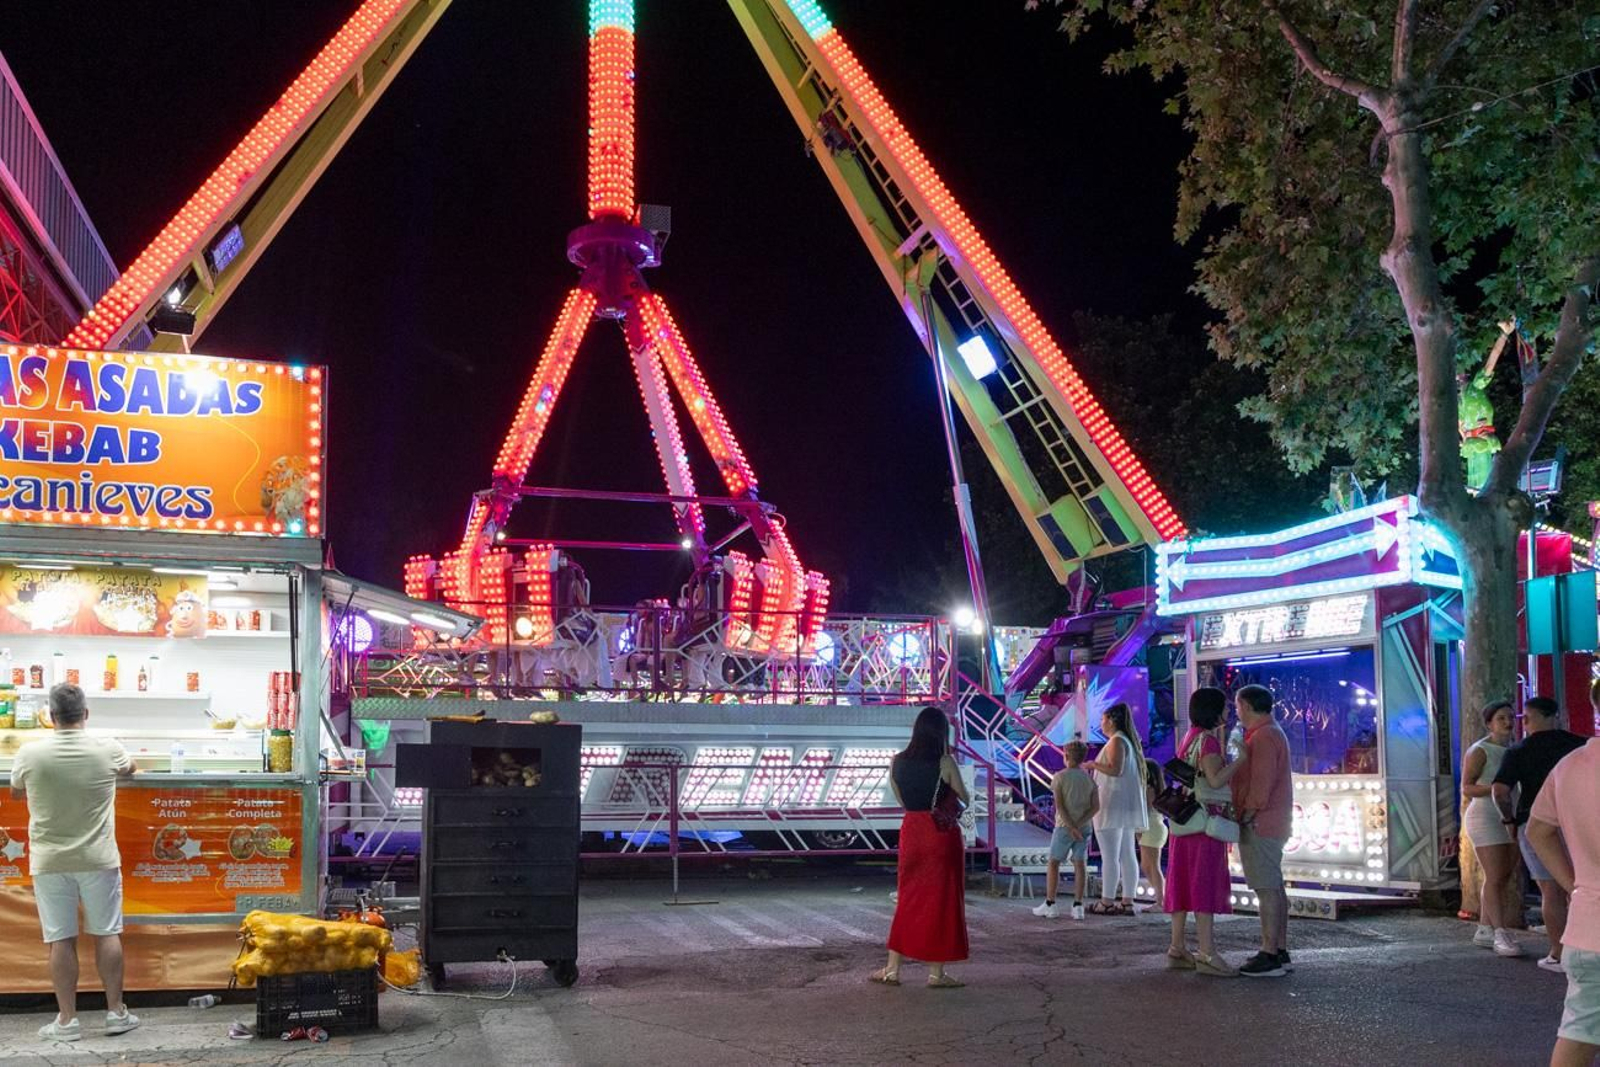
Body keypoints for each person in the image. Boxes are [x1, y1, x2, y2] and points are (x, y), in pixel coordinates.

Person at [9, 684, 140, 1042]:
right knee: (107, 933)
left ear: (51, 717)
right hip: (98, 858)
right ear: (86, 714)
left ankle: (67, 1021)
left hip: (50, 860)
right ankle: (115, 1013)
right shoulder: (107, 747)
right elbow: (130, 768)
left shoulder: (29, 753)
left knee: (60, 941)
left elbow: (16, 791)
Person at [874, 705, 970, 988]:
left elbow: (903, 801)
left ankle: (892, 969)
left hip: (912, 831)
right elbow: (963, 797)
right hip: (939, 834)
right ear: (941, 732)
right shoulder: (945, 762)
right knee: (940, 901)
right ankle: (936, 974)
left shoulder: (897, 761)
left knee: (908, 897)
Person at [1494, 695, 1585, 970]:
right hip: (1576, 821)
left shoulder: (1519, 750)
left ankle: (1558, 953)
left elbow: (1500, 791)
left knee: (1551, 890)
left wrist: (1508, 819)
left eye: (1525, 718)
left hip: (1534, 824)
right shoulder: (1578, 745)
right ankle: (1585, 948)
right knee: (1581, 886)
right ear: (1557, 716)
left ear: (1532, 718)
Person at [1527, 727, 1600, 1065]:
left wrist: (1574, 885)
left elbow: (1537, 830)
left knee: (1579, 1033)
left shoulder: (1569, 766)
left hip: (1588, 929)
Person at [1167, 687, 1249, 977]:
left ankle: (1177, 947)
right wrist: (1240, 760)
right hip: (1205, 825)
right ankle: (1207, 952)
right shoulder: (1209, 742)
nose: (1228, 711)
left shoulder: (1188, 738)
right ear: (1213, 710)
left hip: (1183, 821)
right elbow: (1214, 781)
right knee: (1204, 883)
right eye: (1225, 707)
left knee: (1182, 882)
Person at [1233, 684, 1295, 978]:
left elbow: (1260, 784)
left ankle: (1269, 951)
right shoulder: (1271, 733)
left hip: (1262, 821)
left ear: (1245, 706)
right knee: (1274, 885)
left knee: (1266, 887)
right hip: (1273, 820)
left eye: (1237, 706)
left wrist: (1246, 814)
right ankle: (1278, 948)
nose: (1236, 712)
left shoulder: (1263, 737)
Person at [1462, 702, 1521, 957]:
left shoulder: (1516, 749)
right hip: (1485, 815)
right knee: (1495, 876)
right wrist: (1498, 787)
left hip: (1510, 814)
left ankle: (1485, 928)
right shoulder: (1480, 750)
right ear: (1489, 723)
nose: (1508, 722)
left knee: (1503, 875)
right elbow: (1467, 787)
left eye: (1511, 717)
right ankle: (1500, 931)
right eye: (1501, 718)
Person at [1083, 703, 1149, 915]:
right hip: (1124, 805)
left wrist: (1093, 765)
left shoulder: (1116, 741)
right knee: (1127, 853)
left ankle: (1107, 900)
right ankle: (1127, 900)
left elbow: (1115, 769)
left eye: (1103, 719)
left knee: (1110, 855)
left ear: (1111, 719)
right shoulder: (1127, 741)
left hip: (1111, 804)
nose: (1101, 724)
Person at [1033, 741, 1098, 920]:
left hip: (1064, 827)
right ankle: (1078, 906)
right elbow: (1095, 807)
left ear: (1066, 756)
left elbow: (1060, 806)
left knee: (1054, 863)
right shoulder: (1089, 779)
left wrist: (1070, 826)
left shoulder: (1059, 777)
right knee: (1080, 864)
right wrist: (1079, 825)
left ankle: (1050, 904)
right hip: (1084, 828)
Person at [1139, 758, 1168, 909]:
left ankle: (1161, 900)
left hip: (1151, 826)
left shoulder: (1149, 790)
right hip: (1151, 827)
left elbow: (1147, 809)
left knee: (1153, 865)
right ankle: (1161, 896)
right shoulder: (1154, 789)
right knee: (1146, 865)